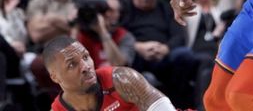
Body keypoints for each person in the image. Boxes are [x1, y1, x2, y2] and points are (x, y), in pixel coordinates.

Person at [43, 36, 177, 111]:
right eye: (72, 64)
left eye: (85, 57)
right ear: (55, 77)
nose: (86, 67)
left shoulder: (122, 79)